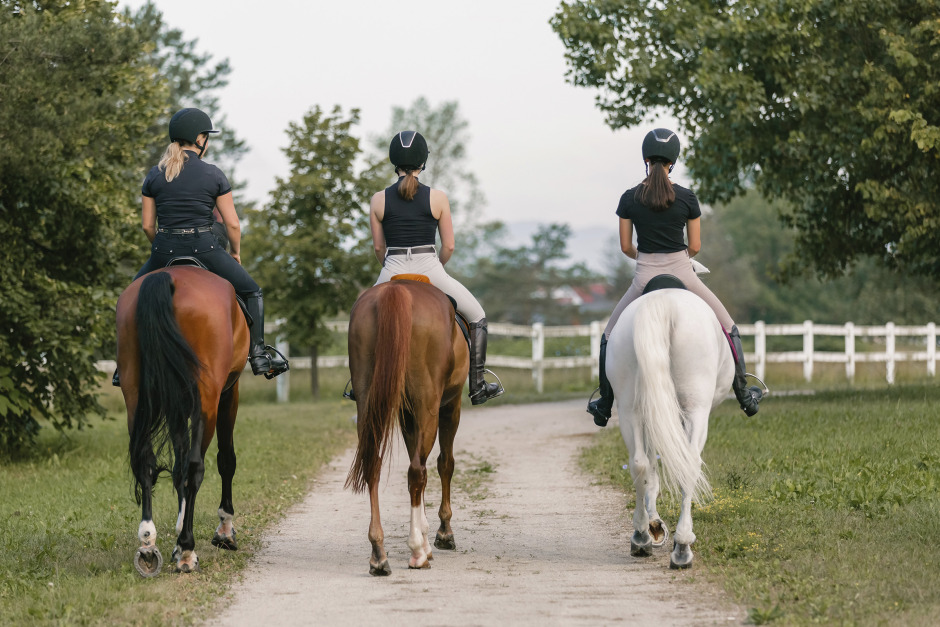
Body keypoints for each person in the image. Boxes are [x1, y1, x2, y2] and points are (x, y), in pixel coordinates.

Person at [586, 128, 762, 426]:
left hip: (643, 276)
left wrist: (645, 259)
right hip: (683, 272)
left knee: (609, 336)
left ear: (645, 158)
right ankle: (745, 395)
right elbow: (694, 246)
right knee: (729, 326)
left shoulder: (629, 199)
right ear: (673, 161)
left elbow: (626, 246)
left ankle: (604, 403)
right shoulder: (686, 197)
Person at [115, 108, 288, 385]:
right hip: (205, 247)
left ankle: (122, 365)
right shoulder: (213, 174)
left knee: (128, 300)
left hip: (163, 249)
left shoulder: (154, 175)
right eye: (206, 136)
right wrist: (235, 253)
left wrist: (161, 247)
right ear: (198, 139)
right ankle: (258, 355)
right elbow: (232, 224)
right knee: (253, 291)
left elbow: (148, 226)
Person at [367, 130, 503, 405]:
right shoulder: (438, 198)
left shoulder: (378, 199)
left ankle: (360, 383)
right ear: (422, 162)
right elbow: (449, 246)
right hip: (429, 266)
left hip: (391, 267)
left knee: (363, 318)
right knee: (477, 315)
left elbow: (379, 248)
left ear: (394, 161)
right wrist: (434, 269)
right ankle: (477, 385)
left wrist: (392, 267)